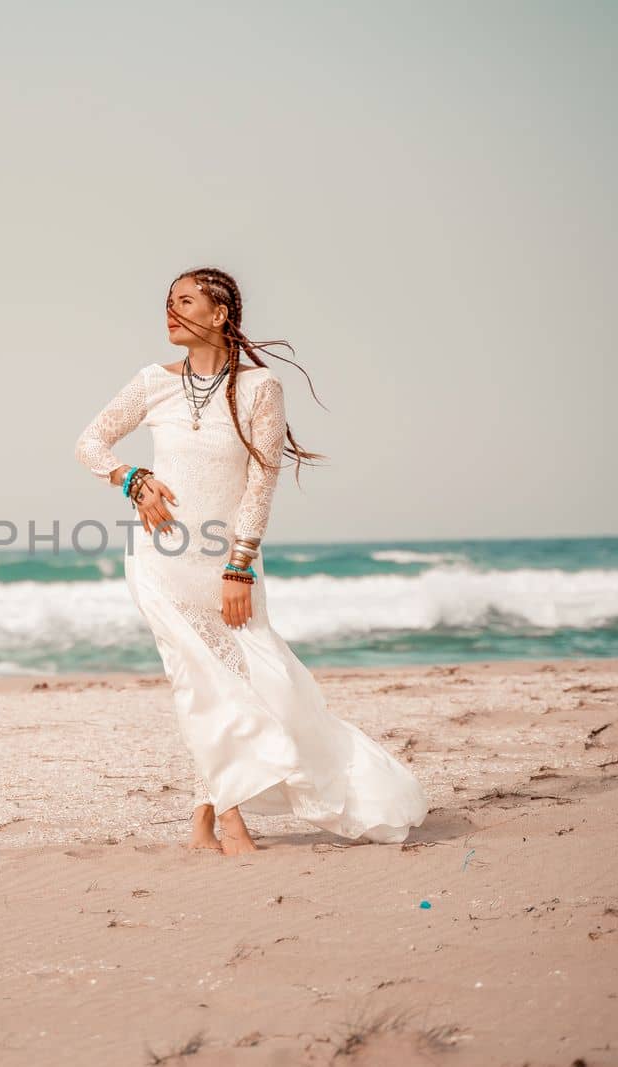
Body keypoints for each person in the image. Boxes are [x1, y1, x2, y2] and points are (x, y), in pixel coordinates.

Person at [73, 267, 429, 855]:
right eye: (167, 301)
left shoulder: (260, 388)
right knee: (196, 683)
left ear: (218, 315)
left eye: (184, 301)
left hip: (226, 564)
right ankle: (229, 817)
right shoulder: (151, 382)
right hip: (160, 561)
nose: (169, 310)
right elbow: (90, 442)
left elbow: (260, 488)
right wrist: (131, 477)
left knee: (254, 686)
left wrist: (239, 567)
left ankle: (204, 817)